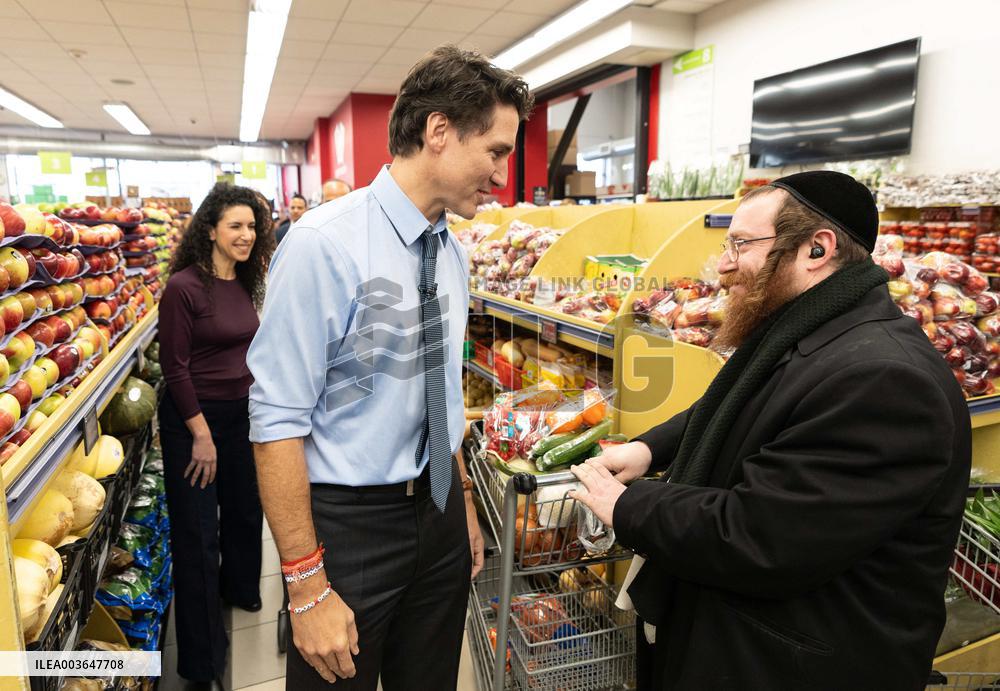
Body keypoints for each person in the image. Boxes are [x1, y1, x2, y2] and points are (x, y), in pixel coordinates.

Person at [569, 171, 971, 690]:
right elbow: (739, 405)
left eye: (741, 244)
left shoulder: (884, 380)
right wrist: (649, 448)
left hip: (798, 665)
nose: (723, 264)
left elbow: (760, 536)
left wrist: (629, 506)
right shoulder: (814, 328)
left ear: (816, 249)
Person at [247, 45, 533, 690]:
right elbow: (275, 423)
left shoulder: (452, 255)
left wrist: (459, 506)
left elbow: (442, 396)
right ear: (438, 132)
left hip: (436, 519)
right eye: (496, 151)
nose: (502, 174)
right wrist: (306, 585)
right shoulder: (324, 245)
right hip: (348, 529)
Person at [159, 183, 276, 688]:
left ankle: (242, 590)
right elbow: (174, 367)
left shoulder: (246, 281)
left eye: (252, 226)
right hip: (194, 422)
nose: (246, 235)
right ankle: (202, 662)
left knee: (247, 511)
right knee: (199, 535)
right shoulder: (184, 287)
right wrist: (200, 434)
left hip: (242, 416)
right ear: (210, 230)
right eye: (235, 225)